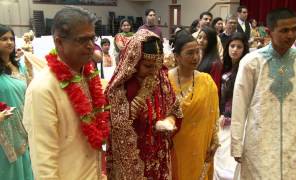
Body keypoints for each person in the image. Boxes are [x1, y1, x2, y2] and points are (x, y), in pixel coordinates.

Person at [231, 8, 296, 179]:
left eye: (294, 29)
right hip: (258, 143)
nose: (291, 35)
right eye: (284, 30)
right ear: (270, 32)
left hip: (291, 143)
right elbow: (239, 104)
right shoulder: (252, 62)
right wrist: (236, 143)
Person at [23, 6, 108, 179]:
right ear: (59, 42)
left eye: (92, 38)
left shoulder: (88, 76)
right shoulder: (43, 89)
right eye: (82, 40)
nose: (91, 46)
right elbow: (44, 161)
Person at [105, 29, 183, 179]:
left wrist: (169, 121)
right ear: (134, 61)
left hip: (159, 155)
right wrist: (139, 99)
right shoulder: (120, 88)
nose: (154, 70)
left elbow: (175, 109)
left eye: (157, 65)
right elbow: (116, 127)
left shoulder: (161, 80)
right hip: (133, 160)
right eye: (148, 66)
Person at [168, 30, 219, 180]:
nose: (196, 57)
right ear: (177, 56)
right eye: (190, 53)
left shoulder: (207, 81)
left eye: (198, 52)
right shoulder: (165, 81)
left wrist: (215, 141)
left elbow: (214, 114)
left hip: (199, 145)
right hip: (174, 146)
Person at [211, 32, 249, 180]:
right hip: (222, 117)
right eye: (232, 46)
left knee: (231, 162)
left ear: (244, 49)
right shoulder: (224, 67)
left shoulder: (246, 69)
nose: (235, 50)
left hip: (239, 119)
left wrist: (228, 116)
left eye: (239, 47)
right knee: (219, 158)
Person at [0, 24, 34, 180]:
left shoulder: (19, 66)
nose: (9, 42)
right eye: (3, 39)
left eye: (12, 39)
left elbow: (30, 91)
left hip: (23, 125)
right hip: (4, 129)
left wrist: (31, 69)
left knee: (27, 165)